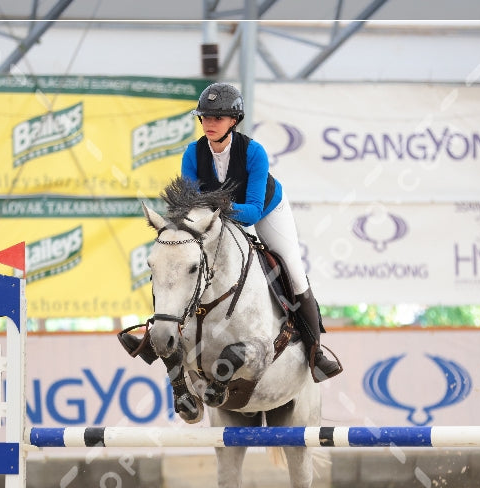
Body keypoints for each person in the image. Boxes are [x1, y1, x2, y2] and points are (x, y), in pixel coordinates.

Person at [119, 82, 342, 382]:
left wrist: (212, 209)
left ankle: (316, 352)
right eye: (205, 117)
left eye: (218, 118)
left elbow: (250, 213)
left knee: (292, 267)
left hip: (266, 209)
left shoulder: (254, 153)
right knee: (180, 262)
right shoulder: (193, 154)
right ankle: (156, 331)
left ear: (233, 121)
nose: (209, 123)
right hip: (215, 217)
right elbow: (189, 206)